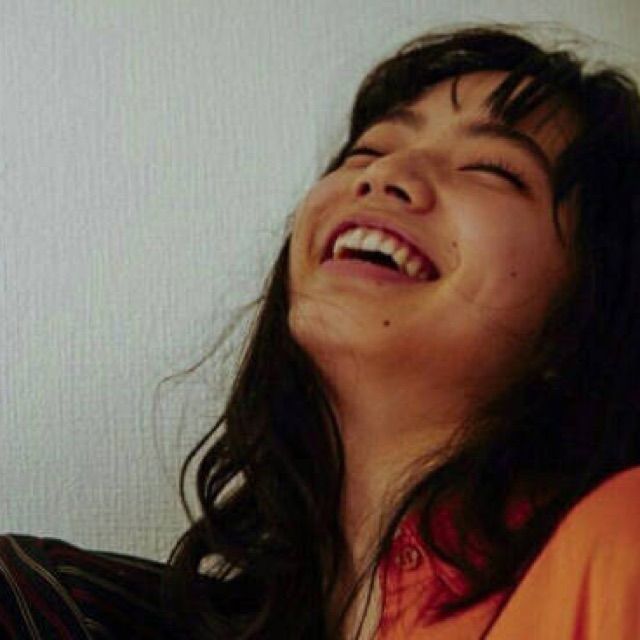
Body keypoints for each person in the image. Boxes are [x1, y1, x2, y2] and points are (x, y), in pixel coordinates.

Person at [2, 22, 640, 640]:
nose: (383, 175)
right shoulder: (82, 604)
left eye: (490, 168)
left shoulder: (620, 543)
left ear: (594, 303)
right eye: (369, 151)